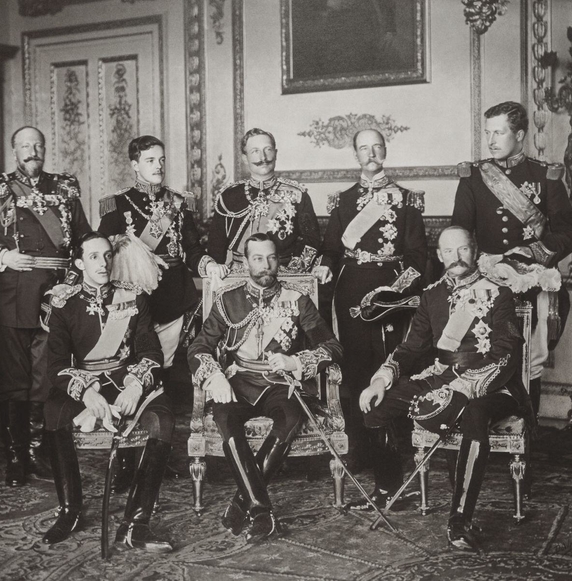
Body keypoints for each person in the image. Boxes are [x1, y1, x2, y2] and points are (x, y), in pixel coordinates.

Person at [358, 226, 526, 551]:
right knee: (375, 407)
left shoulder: (499, 294)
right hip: (442, 375)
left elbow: (507, 351)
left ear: (474, 251)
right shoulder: (431, 295)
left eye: (463, 249)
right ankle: (390, 486)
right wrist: (381, 379)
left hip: (493, 385)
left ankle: (459, 521)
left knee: (475, 413)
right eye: (449, 251)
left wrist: (467, 386)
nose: (457, 258)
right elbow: (410, 349)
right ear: (439, 256)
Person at [188, 232, 343, 543]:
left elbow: (332, 347)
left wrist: (296, 361)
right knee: (227, 420)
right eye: (258, 258)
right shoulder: (227, 300)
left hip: (279, 383)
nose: (266, 265)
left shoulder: (298, 299)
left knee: (291, 419)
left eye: (272, 257)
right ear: (246, 262)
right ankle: (262, 511)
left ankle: (242, 502)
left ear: (279, 259)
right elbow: (198, 347)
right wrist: (214, 376)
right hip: (238, 380)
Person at [0, 126, 92, 487]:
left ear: (45, 149)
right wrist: (2, 254)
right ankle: (16, 458)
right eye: (24, 146)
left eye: (37, 145)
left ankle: (40, 450)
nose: (32, 151)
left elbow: (82, 236)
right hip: (10, 293)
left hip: (57, 293)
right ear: (14, 151)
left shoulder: (64, 188)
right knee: (13, 379)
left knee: (48, 376)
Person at [98, 135, 227, 491]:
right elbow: (103, 254)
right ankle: (125, 456)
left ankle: (158, 453)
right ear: (135, 164)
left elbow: (190, 248)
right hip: (133, 300)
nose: (158, 166)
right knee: (129, 373)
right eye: (150, 160)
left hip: (172, 298)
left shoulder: (177, 204)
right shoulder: (115, 205)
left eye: (162, 159)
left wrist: (207, 264)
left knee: (164, 376)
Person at [41, 232, 174, 553]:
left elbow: (151, 353)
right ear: (79, 262)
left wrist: (137, 384)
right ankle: (70, 511)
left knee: (164, 419)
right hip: (86, 380)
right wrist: (86, 393)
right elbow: (56, 364)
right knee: (52, 413)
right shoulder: (63, 304)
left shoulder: (134, 296)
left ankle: (136, 523)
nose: (103, 263)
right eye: (93, 257)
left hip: (127, 378)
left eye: (107, 256)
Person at [452, 101, 572, 414]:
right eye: (488, 133)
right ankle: (484, 429)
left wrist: (529, 253)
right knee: (483, 354)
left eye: (500, 132)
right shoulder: (473, 178)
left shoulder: (544, 176)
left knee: (529, 359)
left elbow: (567, 233)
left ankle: (527, 432)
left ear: (520, 134)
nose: (492, 140)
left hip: (531, 282)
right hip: (487, 284)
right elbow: (460, 234)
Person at [317, 128, 426, 471]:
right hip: (351, 293)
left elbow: (418, 257)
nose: (371, 153)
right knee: (355, 367)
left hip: (392, 293)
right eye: (364, 148)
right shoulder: (343, 200)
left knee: (391, 363)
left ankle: (398, 442)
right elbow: (332, 250)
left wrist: (396, 293)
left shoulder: (407, 200)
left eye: (376, 147)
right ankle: (360, 446)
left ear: (385, 151)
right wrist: (323, 266)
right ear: (356, 155)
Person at [209, 128, 323, 274]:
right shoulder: (228, 196)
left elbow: (311, 242)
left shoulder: (297, 195)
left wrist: (293, 271)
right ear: (245, 158)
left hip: (282, 275)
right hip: (239, 276)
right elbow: (215, 248)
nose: (263, 157)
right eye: (255, 151)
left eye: (268, 149)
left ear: (276, 153)